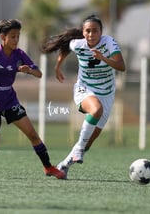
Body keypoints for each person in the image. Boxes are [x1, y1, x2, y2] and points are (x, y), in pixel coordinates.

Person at [0, 19, 65, 179]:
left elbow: (39, 73)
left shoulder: (19, 54)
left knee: (32, 134)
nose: (16, 40)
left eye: (18, 36)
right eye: (12, 37)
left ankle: (48, 167)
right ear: (3, 37)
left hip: (10, 101)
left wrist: (29, 71)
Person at [41, 14, 125, 179]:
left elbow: (121, 66)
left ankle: (64, 165)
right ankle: (78, 150)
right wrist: (58, 66)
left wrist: (103, 58)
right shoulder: (78, 43)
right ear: (83, 32)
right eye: (88, 31)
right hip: (84, 89)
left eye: (95, 31)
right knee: (96, 110)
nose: (91, 34)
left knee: (88, 143)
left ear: (101, 32)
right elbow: (66, 46)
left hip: (107, 93)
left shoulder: (109, 43)